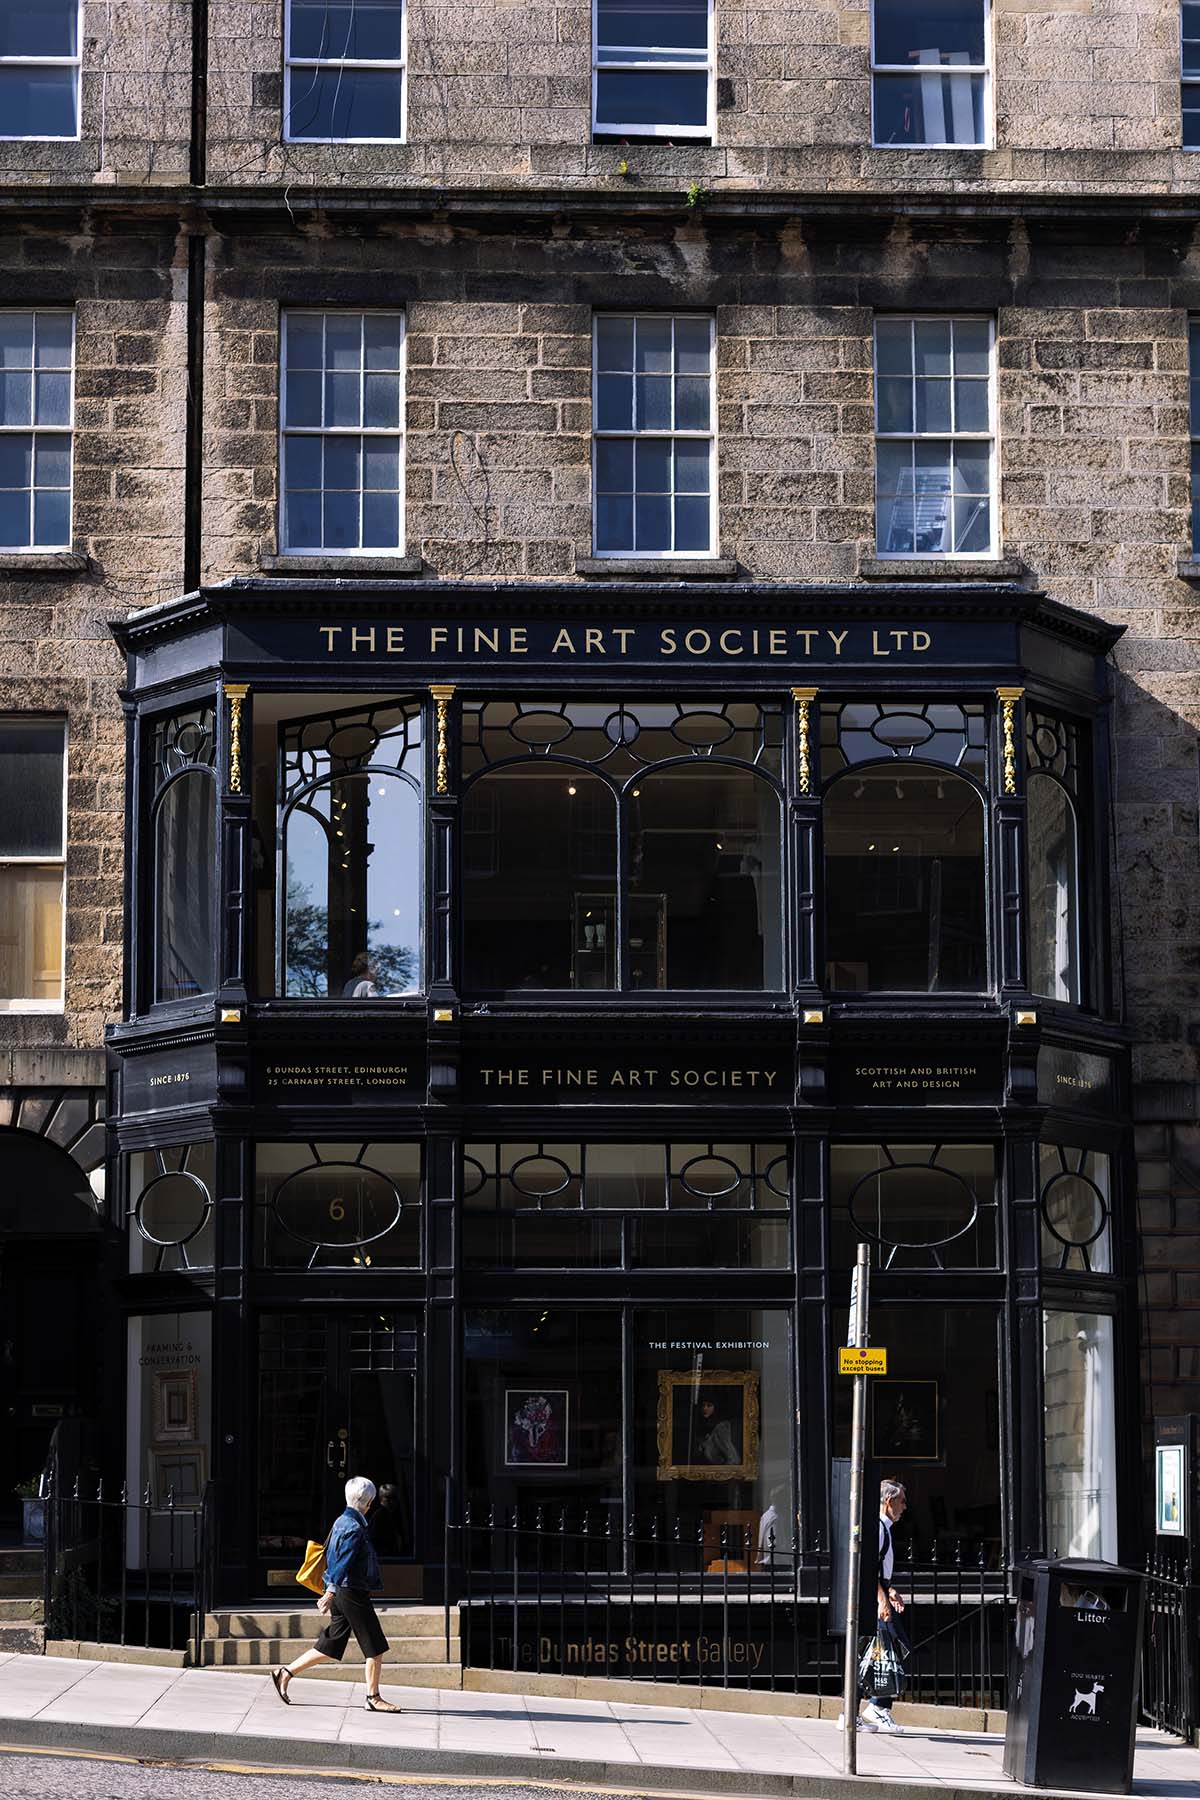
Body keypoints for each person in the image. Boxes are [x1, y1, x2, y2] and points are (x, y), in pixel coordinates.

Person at [271, 1475, 400, 1713]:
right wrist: (330, 1591)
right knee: (375, 1646)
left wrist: (332, 1589)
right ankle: (373, 1697)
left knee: (329, 1644)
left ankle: (284, 1673)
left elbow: (333, 1556)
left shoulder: (341, 1520)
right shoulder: (355, 1528)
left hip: (343, 1590)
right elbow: (344, 1562)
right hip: (350, 1591)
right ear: (369, 1501)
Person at [859, 1478, 907, 1734]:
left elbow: (876, 1569)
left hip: (876, 1596)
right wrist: (882, 1599)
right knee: (893, 1650)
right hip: (872, 1601)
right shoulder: (878, 1528)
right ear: (889, 1502)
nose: (904, 1507)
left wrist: (889, 1590)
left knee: (869, 1655)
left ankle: (854, 1711)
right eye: (901, 1501)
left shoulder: (882, 1528)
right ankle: (878, 1707)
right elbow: (867, 1568)